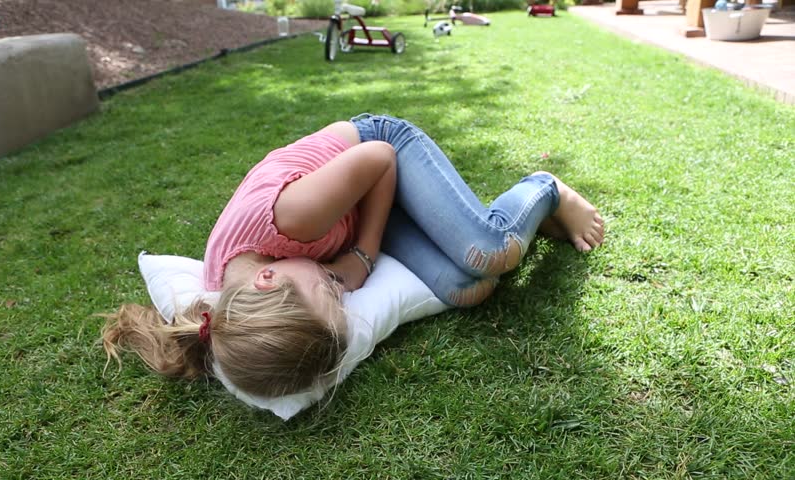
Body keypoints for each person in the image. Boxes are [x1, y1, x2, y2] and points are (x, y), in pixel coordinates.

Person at [102, 114, 604, 398]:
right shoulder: (239, 299)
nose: (340, 288)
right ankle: (515, 221)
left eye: (328, 288)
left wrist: (361, 257)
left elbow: (380, 160)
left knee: (490, 252)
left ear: (268, 278)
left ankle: (548, 189)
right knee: (467, 288)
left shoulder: (291, 220)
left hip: (383, 154)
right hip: (361, 201)